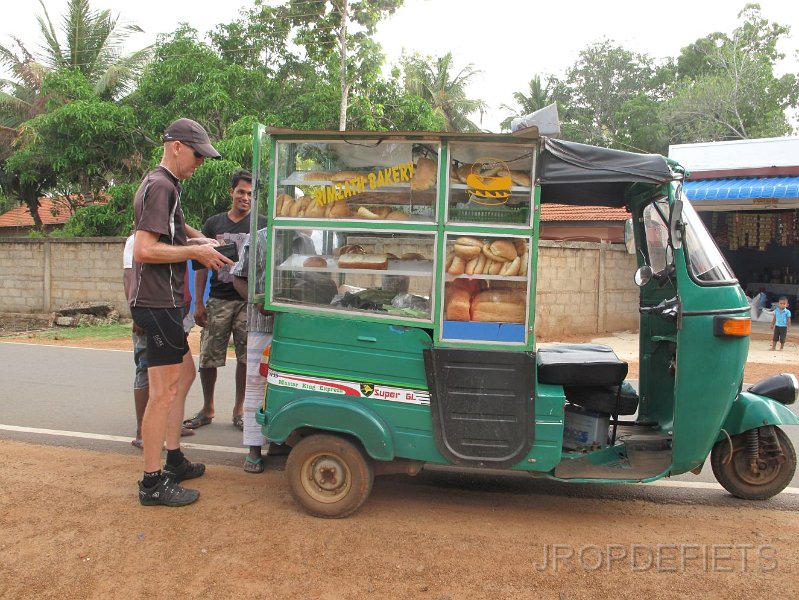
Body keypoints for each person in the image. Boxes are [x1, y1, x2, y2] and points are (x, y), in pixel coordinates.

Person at [131, 117, 233, 507]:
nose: (200, 163)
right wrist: (195, 252)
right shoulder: (160, 185)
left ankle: (173, 458)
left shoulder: (164, 183)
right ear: (175, 146)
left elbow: (171, 224)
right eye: (197, 154)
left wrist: (196, 238)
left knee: (183, 375)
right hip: (157, 303)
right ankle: (152, 482)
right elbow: (144, 249)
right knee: (163, 393)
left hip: (167, 301)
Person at [184, 170, 266, 431]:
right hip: (218, 299)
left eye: (251, 194)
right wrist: (198, 302)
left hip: (248, 302)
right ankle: (207, 408)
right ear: (231, 192)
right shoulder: (214, 224)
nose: (245, 197)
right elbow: (199, 266)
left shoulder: (261, 224)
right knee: (208, 357)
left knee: (246, 358)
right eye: (241, 192)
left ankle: (239, 410)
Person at [123, 232, 195, 450]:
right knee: (147, 370)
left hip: (174, 315)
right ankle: (142, 432)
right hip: (152, 315)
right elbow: (129, 277)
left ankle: (169, 424)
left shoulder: (172, 240)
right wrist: (136, 314)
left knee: (179, 373)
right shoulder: (137, 241)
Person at [231, 229, 273, 472]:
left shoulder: (304, 238)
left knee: (286, 384)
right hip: (261, 324)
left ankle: (279, 440)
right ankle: (254, 448)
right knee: (257, 382)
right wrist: (257, 302)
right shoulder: (258, 238)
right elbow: (239, 277)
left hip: (295, 325)